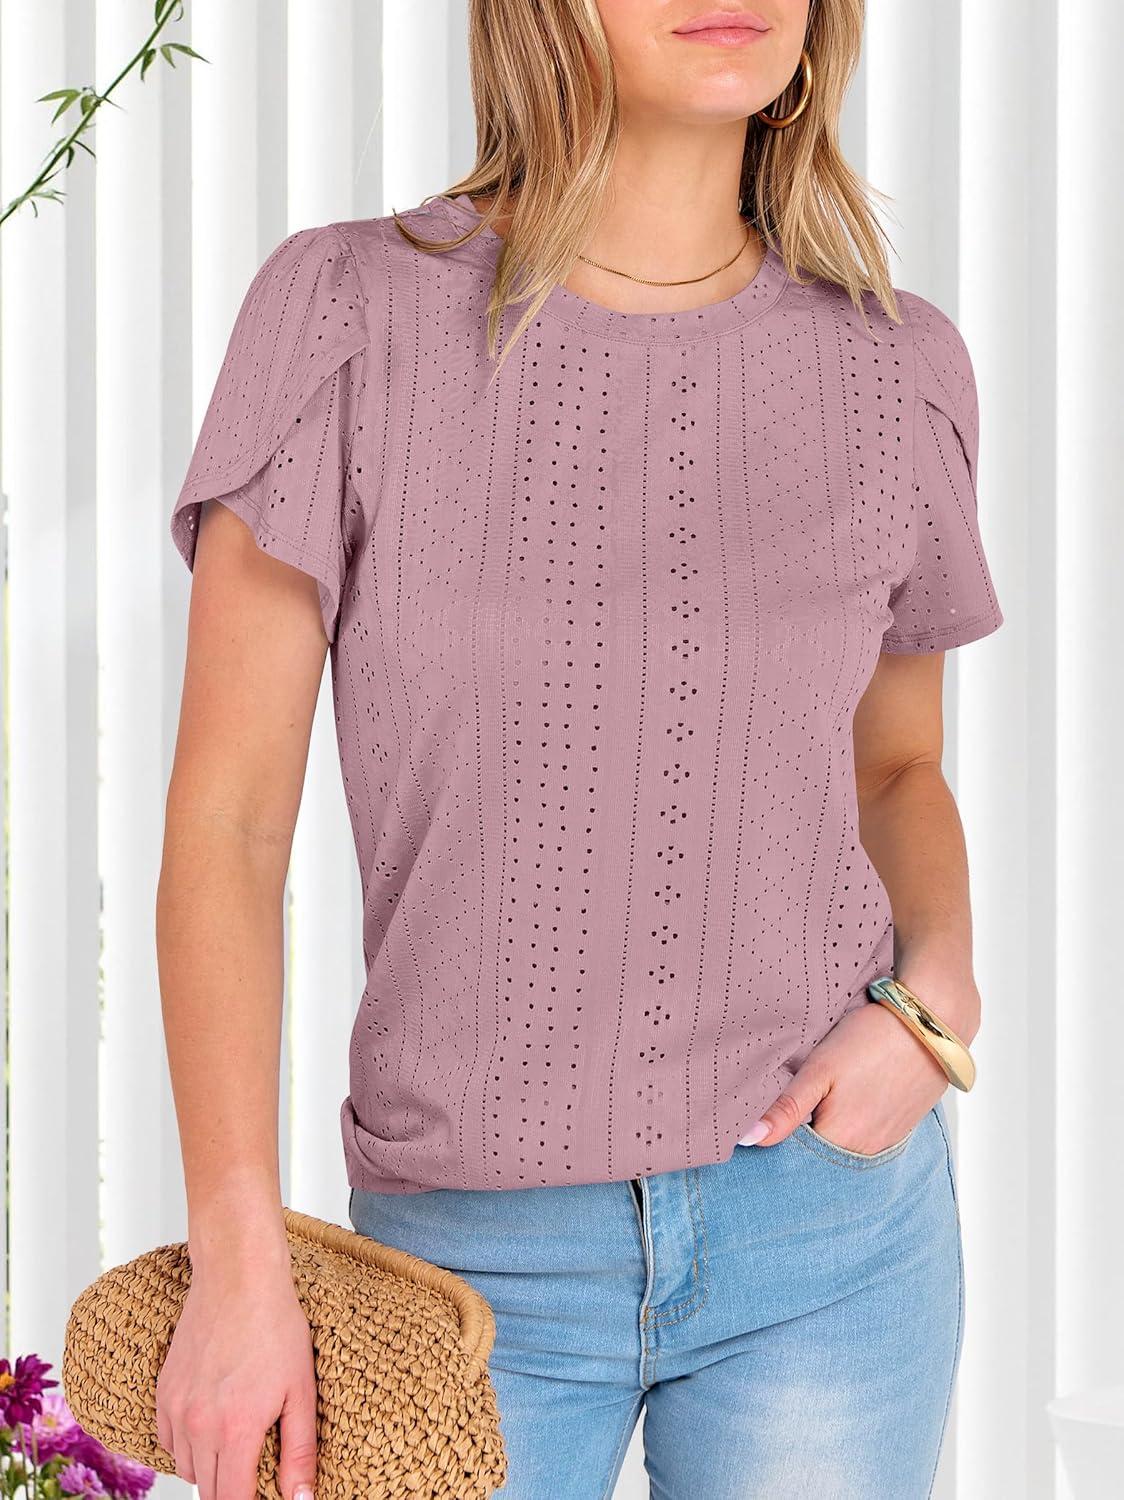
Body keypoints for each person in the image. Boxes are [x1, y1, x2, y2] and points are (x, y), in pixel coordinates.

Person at [154, 1, 1005, 1497]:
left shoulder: (897, 365)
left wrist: (936, 990)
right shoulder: (349, 315)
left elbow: (894, 771)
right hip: (468, 1275)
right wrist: (236, 1262)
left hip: (830, 1236)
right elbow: (228, 829)